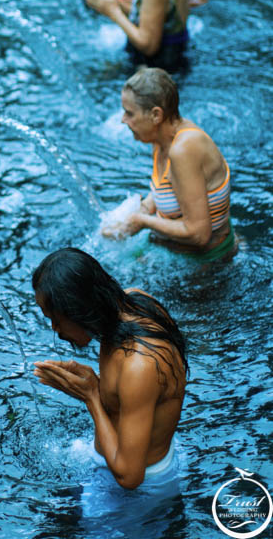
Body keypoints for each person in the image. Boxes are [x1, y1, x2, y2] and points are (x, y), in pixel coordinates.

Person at [32, 247, 187, 492]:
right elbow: (136, 395)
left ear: (79, 310)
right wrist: (93, 382)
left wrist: (91, 396)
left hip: (141, 492)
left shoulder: (140, 366)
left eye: (56, 318)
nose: (54, 328)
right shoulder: (133, 302)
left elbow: (129, 477)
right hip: (116, 465)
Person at [115, 67, 235, 259]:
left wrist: (141, 220)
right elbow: (174, 187)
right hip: (174, 253)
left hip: (206, 265)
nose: (123, 120)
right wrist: (144, 207)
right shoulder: (161, 138)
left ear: (156, 115)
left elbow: (199, 234)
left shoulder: (184, 150)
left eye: (129, 113)